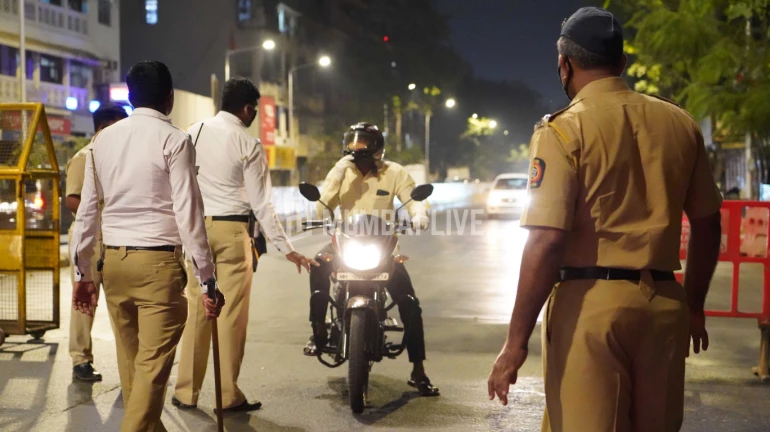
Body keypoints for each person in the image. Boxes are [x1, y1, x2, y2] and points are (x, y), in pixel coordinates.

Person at [487, 7, 722, 432]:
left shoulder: (562, 130)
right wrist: (695, 307)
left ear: (565, 64)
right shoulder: (680, 123)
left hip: (590, 308)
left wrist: (514, 343)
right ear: (623, 63)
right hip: (666, 307)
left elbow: (546, 240)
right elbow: (708, 223)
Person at [71, 60, 224, 432]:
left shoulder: (103, 141)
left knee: (135, 371)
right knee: (151, 371)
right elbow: (189, 213)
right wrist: (208, 279)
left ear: (131, 95)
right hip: (158, 268)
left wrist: (84, 273)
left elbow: (87, 212)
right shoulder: (174, 139)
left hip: (115, 269)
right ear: (169, 97)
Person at [172, 77, 316, 412]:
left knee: (197, 309)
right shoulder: (247, 143)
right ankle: (226, 396)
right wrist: (287, 248)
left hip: (195, 230)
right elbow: (262, 205)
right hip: (232, 231)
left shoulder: (193, 131)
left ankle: (185, 392)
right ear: (248, 108)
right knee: (230, 315)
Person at [304, 122, 439, 397]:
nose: (357, 147)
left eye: (363, 141)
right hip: (345, 247)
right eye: (353, 141)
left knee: (409, 302)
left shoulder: (395, 172)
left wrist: (419, 215)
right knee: (317, 265)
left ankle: (418, 369)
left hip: (384, 249)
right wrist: (336, 174)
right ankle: (318, 329)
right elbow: (321, 209)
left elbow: (413, 200)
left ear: (377, 146)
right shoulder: (341, 172)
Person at [65, 102, 127, 382]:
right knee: (84, 300)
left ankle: (127, 359)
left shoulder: (118, 157)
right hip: (89, 238)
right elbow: (72, 199)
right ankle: (81, 358)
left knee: (121, 301)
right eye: (118, 126)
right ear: (103, 127)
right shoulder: (83, 157)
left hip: (115, 237)